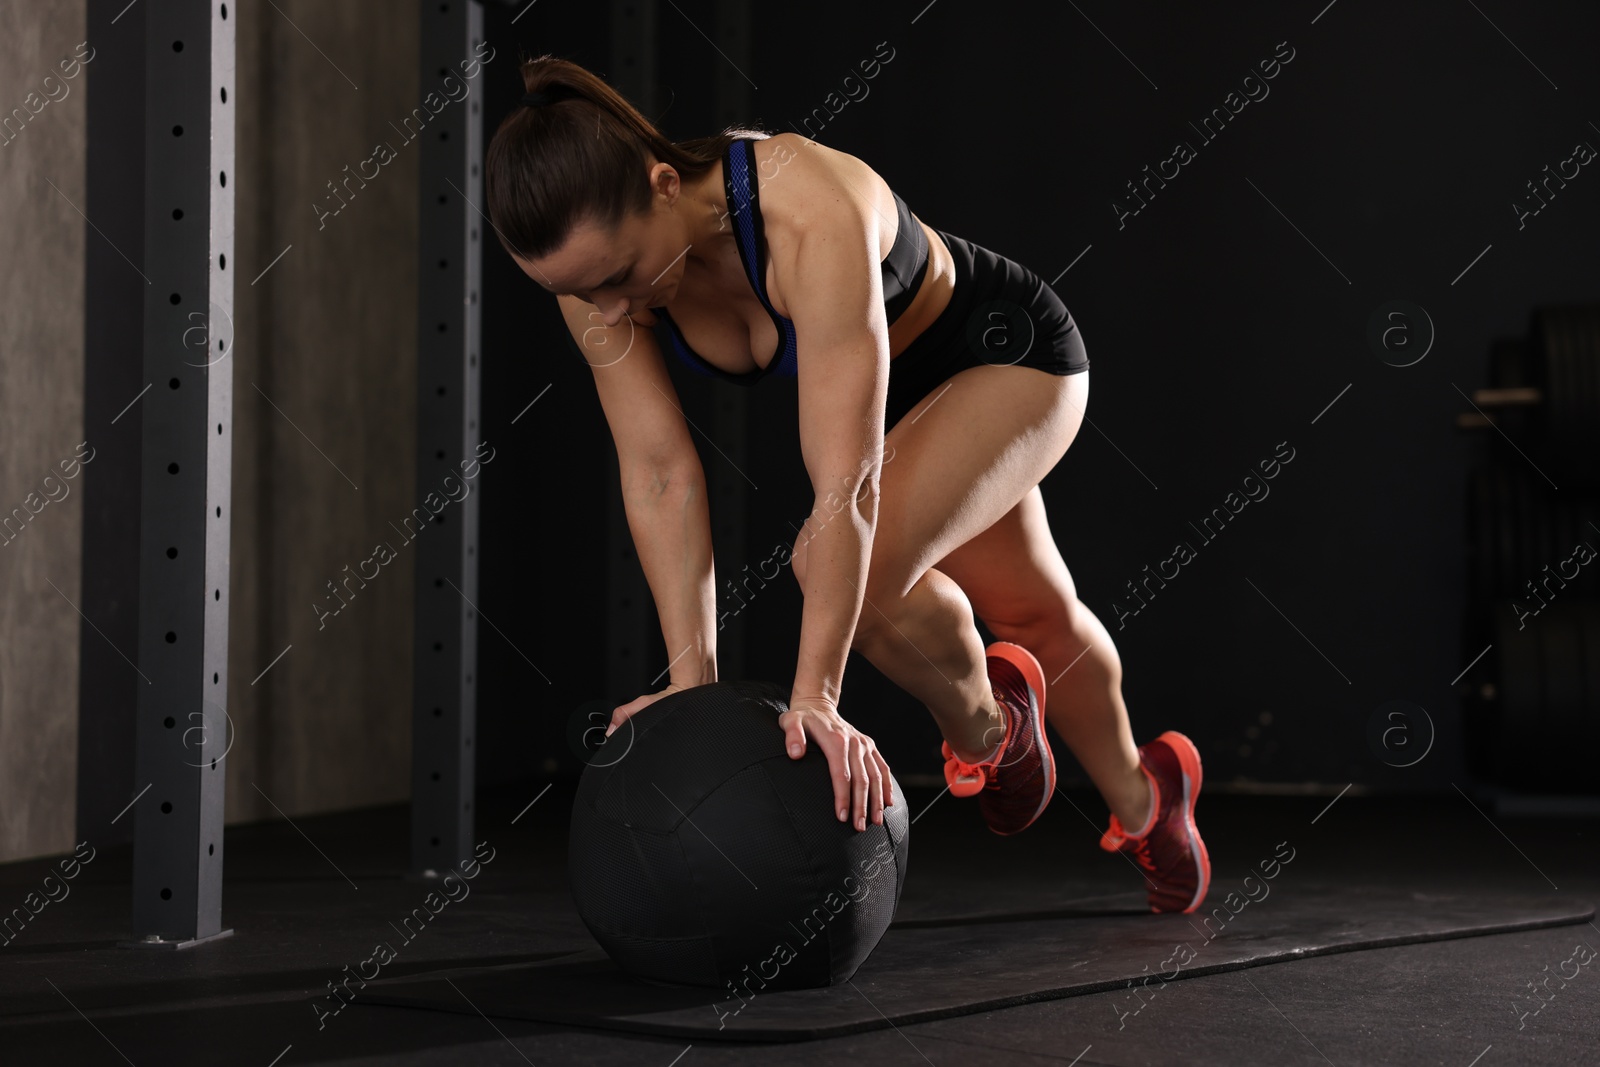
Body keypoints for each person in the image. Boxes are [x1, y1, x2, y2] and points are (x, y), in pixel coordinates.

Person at [485, 55, 1211, 913]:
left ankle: (1052, 759)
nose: (605, 313)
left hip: (1003, 358)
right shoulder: (591, 278)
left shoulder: (803, 211)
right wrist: (693, 681)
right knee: (1026, 611)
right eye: (575, 293)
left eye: (615, 280)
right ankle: (1103, 776)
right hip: (895, 404)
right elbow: (659, 473)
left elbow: (847, 485)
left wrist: (815, 700)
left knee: (880, 590)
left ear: (664, 182)